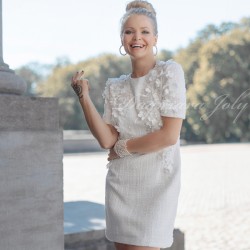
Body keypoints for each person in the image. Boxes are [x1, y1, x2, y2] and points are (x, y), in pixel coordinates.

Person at [71, 1, 186, 249]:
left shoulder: (170, 72)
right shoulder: (115, 86)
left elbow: (169, 136)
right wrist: (84, 97)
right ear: (122, 39)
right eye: (129, 31)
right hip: (121, 186)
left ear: (155, 38)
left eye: (145, 31)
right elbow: (106, 140)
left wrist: (122, 149)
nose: (137, 37)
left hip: (157, 185)